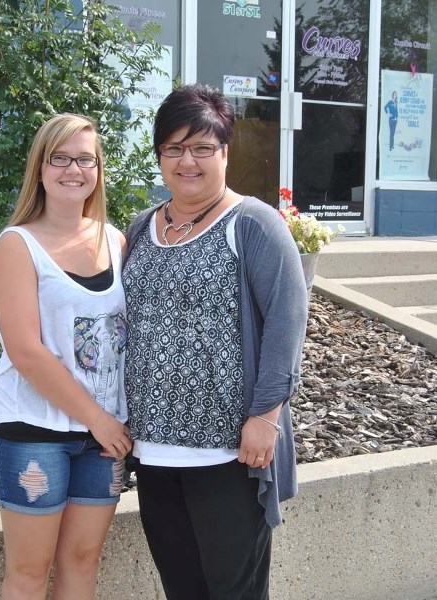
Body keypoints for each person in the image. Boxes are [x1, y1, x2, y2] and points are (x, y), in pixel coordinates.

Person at [122, 84, 308, 600]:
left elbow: (287, 325)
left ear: (226, 152)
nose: (188, 161)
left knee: (235, 591)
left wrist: (266, 417)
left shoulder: (254, 224)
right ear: (160, 155)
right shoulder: (142, 227)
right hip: (156, 453)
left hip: (229, 456)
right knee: (182, 588)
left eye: (202, 147)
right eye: (174, 148)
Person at [0, 113, 132, 600]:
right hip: (35, 431)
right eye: (61, 158)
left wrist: (104, 424)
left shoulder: (114, 239)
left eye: (85, 159)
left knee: (83, 560)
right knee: (29, 572)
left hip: (101, 437)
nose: (74, 170)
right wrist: (100, 420)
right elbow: (26, 353)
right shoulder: (17, 244)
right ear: (41, 168)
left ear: (98, 169)